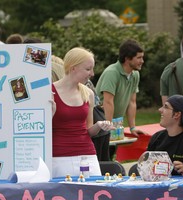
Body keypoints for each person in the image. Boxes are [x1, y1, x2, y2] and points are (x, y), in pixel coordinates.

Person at [51, 47, 114, 178]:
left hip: (87, 154)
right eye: (88, 69)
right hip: (59, 156)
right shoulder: (50, 92)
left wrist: (99, 126)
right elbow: (39, 130)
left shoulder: (88, 93)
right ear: (73, 68)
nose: (92, 73)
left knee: (92, 194)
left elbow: (88, 130)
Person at [95, 39, 145, 137]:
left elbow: (132, 102)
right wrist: (108, 129)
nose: (142, 61)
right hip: (99, 124)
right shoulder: (112, 73)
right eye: (139, 58)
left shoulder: (135, 74)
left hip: (116, 123)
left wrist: (132, 128)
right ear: (127, 59)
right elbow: (108, 102)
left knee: (112, 151)